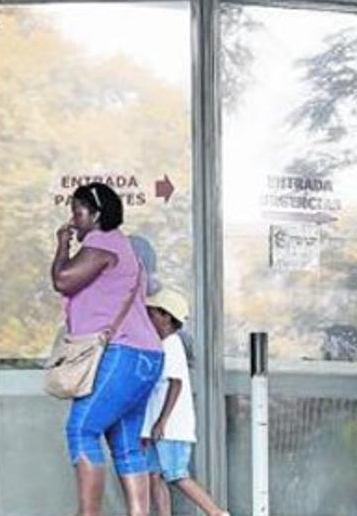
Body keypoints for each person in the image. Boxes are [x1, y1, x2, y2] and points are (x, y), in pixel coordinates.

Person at [51, 182, 165, 516]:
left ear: (97, 214)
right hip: (146, 357)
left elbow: (63, 280)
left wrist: (62, 245)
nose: (74, 219)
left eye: (79, 212)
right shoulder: (128, 250)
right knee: (127, 446)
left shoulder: (101, 243)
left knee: (82, 429)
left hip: (122, 354)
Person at [140, 290, 228, 516]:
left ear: (166, 316)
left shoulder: (172, 344)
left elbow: (175, 384)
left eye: (153, 314)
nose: (149, 318)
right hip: (155, 427)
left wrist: (161, 422)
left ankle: (216, 512)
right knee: (154, 475)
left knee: (177, 474)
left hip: (171, 427)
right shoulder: (160, 345)